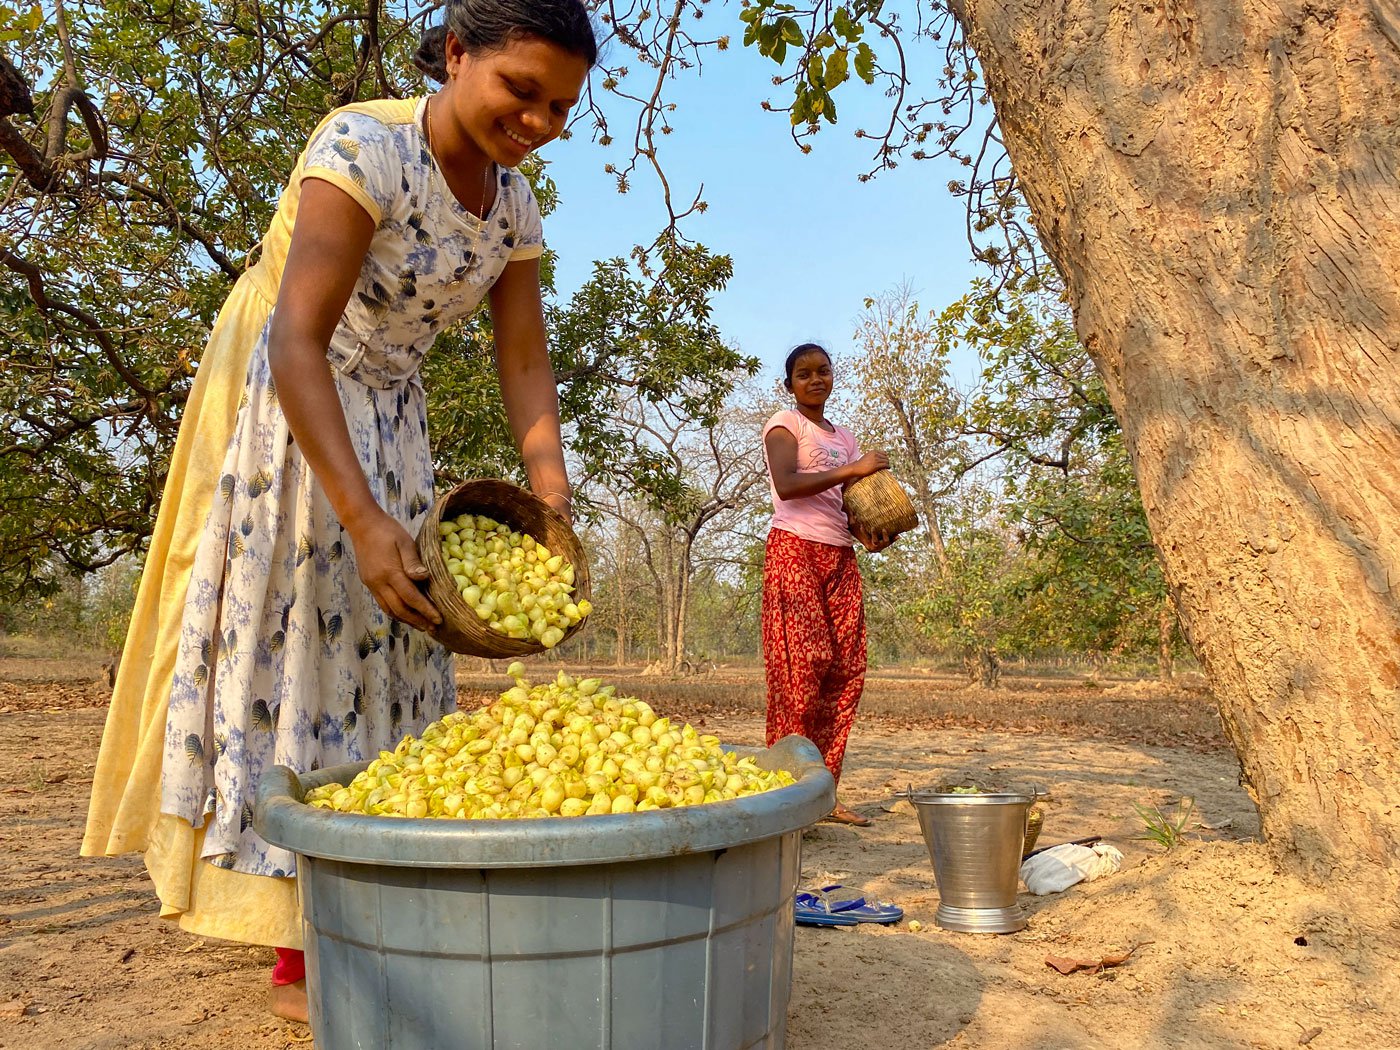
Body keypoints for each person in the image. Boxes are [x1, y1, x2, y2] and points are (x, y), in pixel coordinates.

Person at [80, 0, 596, 1023]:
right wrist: (358, 518)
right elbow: (296, 337)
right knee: (302, 649)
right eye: (519, 90)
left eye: (560, 106)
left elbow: (524, 359)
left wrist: (551, 498)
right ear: (456, 55)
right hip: (296, 398)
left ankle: (372, 903)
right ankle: (295, 938)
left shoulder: (513, 206)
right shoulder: (360, 146)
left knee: (395, 647)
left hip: (392, 417)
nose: (537, 120)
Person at [761, 343, 892, 827]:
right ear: (789, 384)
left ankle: (824, 794)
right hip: (794, 549)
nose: (815, 379)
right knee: (801, 667)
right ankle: (785, 796)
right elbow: (789, 483)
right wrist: (852, 469)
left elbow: (850, 503)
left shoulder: (845, 437)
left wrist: (869, 536)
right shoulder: (785, 424)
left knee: (846, 670)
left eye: (823, 371)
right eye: (803, 374)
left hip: (840, 554)